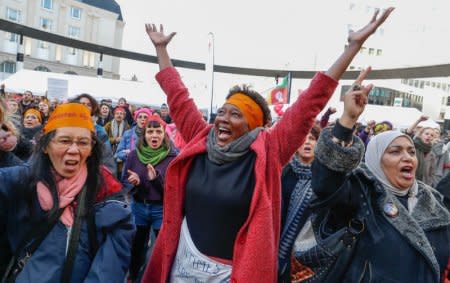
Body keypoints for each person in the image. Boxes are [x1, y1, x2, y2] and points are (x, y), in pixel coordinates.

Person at [142, 7, 394, 283]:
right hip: (181, 266)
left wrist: (353, 47)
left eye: (235, 115)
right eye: (223, 112)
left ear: (253, 125)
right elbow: (177, 95)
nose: (223, 119)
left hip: (231, 275)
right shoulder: (201, 138)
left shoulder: (268, 151)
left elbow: (309, 103)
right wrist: (161, 50)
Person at [305, 66, 450, 281]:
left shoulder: (434, 203)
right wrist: (347, 120)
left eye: (411, 151)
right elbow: (325, 182)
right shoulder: (362, 195)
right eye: (395, 151)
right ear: (375, 160)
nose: (407, 157)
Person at [0, 103, 135, 282]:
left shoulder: (107, 194)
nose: (73, 150)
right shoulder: (20, 182)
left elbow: (109, 269)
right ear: (45, 146)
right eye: (64, 141)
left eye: (83, 143)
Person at [121, 114, 178, 282]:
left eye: (158, 131)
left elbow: (173, 191)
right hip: (139, 207)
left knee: (162, 248)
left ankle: (158, 277)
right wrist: (135, 183)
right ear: (144, 134)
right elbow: (123, 181)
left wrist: (156, 179)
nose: (154, 135)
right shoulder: (133, 155)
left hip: (160, 209)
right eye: (150, 131)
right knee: (137, 246)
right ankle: (132, 275)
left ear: (164, 134)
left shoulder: (172, 158)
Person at [278, 125, 320, 282]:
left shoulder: (323, 177)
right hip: (281, 244)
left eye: (312, 138)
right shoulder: (284, 171)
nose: (307, 142)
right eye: (303, 138)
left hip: (310, 247)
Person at [71, 93, 117, 175]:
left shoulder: (99, 131)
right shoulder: (65, 127)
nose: (84, 106)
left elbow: (107, 161)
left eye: (89, 105)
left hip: (90, 175)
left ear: (93, 109)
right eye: (82, 104)